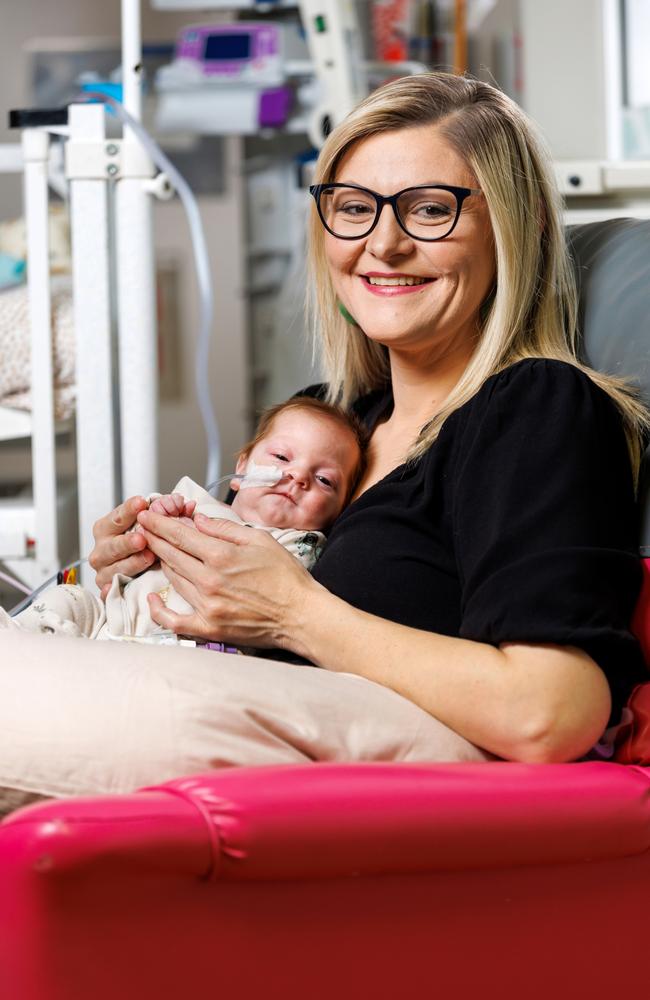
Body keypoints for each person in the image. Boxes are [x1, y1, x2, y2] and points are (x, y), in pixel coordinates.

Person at [1, 72, 648, 814]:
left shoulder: (533, 403)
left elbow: (551, 713)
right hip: (228, 692)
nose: (384, 244)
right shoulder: (340, 423)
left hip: (383, 758)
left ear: (519, 225)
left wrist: (290, 611)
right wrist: (142, 571)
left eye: (431, 210)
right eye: (354, 209)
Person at [1, 396, 366, 643]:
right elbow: (129, 547)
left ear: (337, 513)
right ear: (241, 470)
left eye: (324, 480)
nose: (298, 477)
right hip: (109, 620)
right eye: (282, 458)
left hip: (182, 645)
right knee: (69, 598)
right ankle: (15, 642)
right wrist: (151, 519)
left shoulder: (297, 546)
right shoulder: (195, 505)